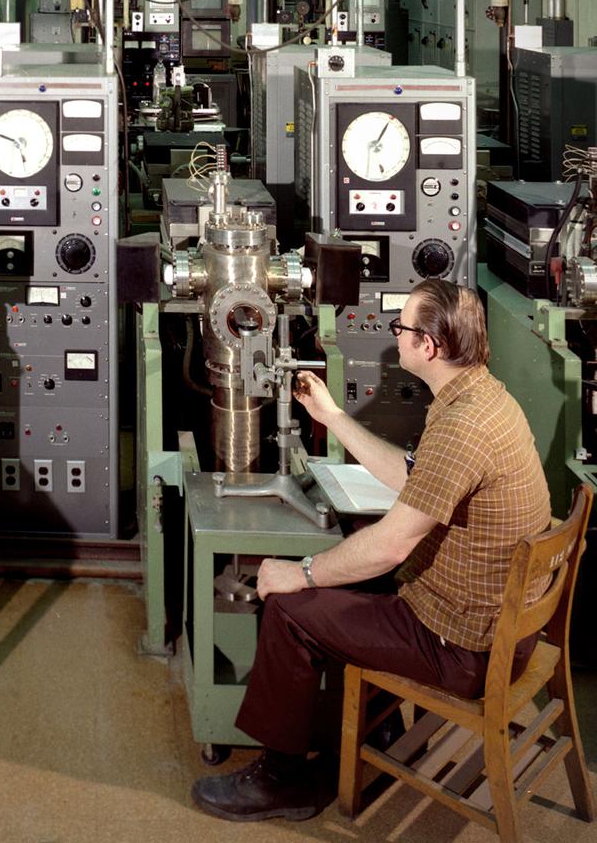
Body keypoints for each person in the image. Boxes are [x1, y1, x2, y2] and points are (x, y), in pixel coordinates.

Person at [191, 279, 551, 823]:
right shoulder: (483, 398)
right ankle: (381, 742)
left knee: (293, 609)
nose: (395, 337)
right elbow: (415, 481)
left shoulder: (461, 427)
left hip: (462, 646)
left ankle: (282, 782)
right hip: (498, 624)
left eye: (401, 328)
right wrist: (334, 418)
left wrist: (303, 572)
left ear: (428, 346)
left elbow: (392, 544)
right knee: (356, 580)